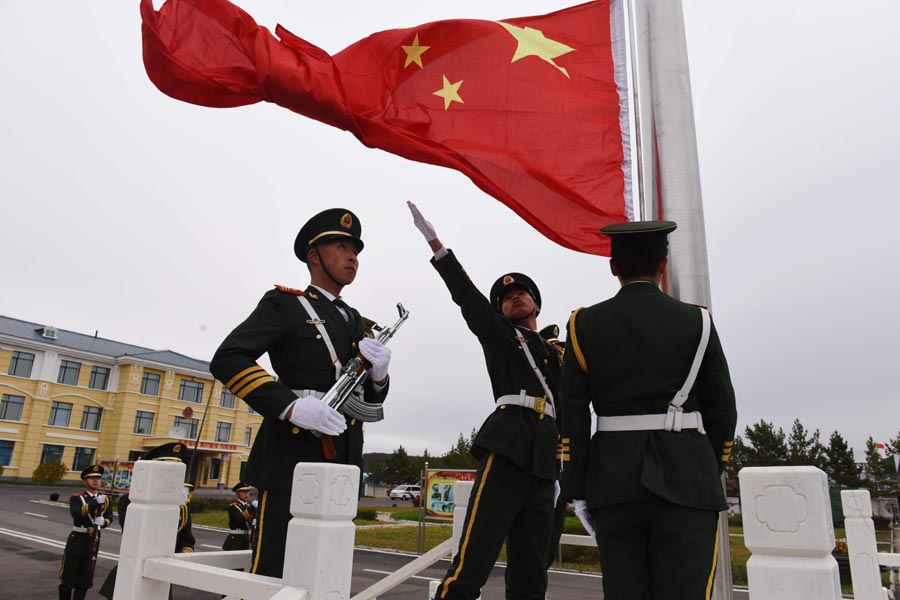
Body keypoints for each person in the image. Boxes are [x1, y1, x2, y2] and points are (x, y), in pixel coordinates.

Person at [209, 208, 391, 578]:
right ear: (314, 256)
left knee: (328, 571)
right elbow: (228, 358)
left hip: (343, 459)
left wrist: (380, 377)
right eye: (341, 247)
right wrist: (290, 406)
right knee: (275, 570)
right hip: (291, 454)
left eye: (356, 250)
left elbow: (370, 403)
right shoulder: (286, 305)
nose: (352, 256)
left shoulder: (362, 323)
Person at [561, 220, 737, 600]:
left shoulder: (583, 324)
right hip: (688, 478)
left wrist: (577, 488)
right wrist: (709, 466)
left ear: (613, 267)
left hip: (612, 485)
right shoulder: (699, 321)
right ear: (664, 263)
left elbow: (572, 415)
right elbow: (722, 407)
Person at [408, 201, 562, 600]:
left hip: (547, 460)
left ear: (538, 304)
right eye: (507, 296)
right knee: (473, 562)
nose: (516, 297)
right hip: (508, 447)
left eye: (523, 292)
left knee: (533, 572)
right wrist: (437, 246)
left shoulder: (559, 351)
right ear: (499, 310)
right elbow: (469, 299)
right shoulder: (499, 336)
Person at [98, 442, 195, 600]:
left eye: (175, 469)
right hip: (133, 573)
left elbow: (188, 540)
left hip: (161, 576)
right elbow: (134, 532)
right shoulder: (129, 501)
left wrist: (181, 557)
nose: (171, 474)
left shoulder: (181, 508)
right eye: (165, 468)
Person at [58, 464, 113, 600]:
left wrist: (104, 523)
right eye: (92, 478)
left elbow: (109, 516)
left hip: (93, 541)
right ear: (85, 481)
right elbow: (76, 514)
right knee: (68, 581)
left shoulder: (105, 499)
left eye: (98, 478)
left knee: (84, 581)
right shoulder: (77, 498)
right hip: (77, 541)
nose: (95, 480)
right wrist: (94, 503)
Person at [538, 324, 568, 569]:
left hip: (559, 468)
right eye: (554, 349)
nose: (559, 354)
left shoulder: (565, 390)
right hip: (538, 466)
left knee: (548, 546)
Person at [223, 482, 255, 551]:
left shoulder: (248, 506)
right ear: (237, 494)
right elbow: (239, 520)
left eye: (247, 491)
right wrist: (252, 508)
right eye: (243, 492)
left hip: (246, 538)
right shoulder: (233, 507)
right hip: (235, 539)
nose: (246, 494)